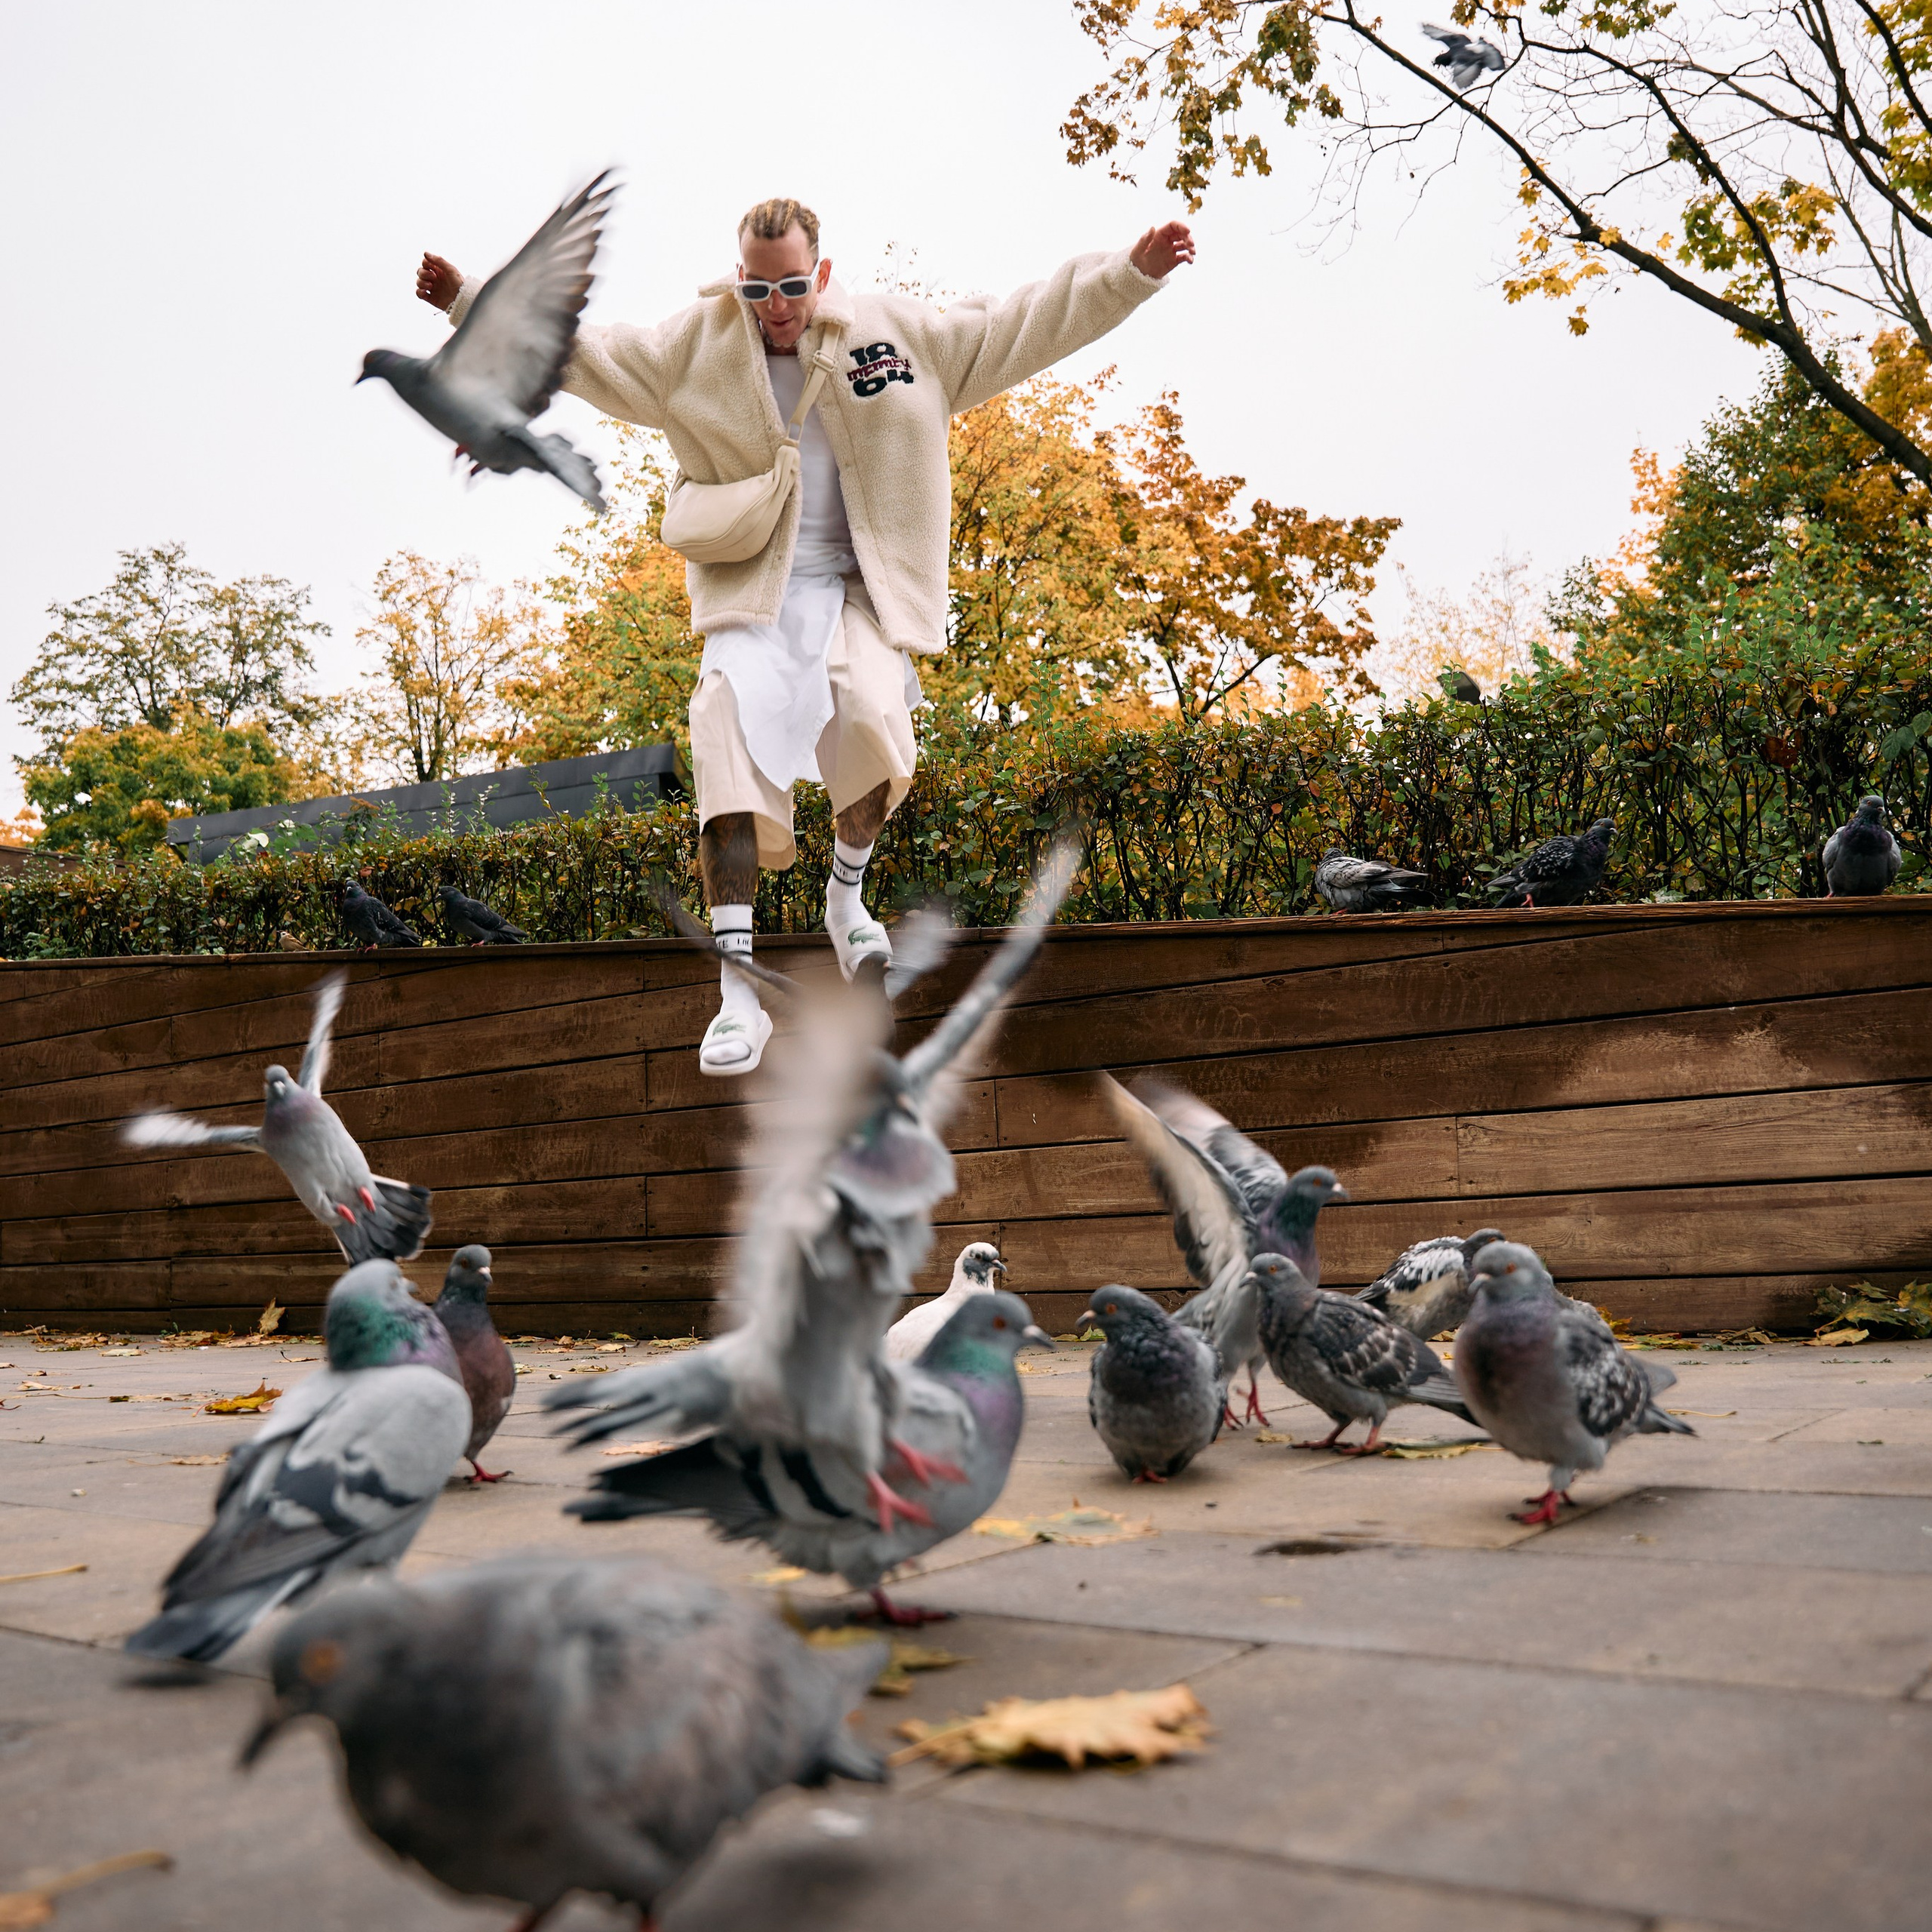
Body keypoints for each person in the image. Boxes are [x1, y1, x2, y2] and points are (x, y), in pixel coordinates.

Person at [417, 198, 1194, 1075]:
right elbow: (584, 353)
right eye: (757, 288)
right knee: (721, 740)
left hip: (860, 592)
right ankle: (737, 993)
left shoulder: (899, 336)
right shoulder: (696, 346)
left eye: (791, 286)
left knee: (873, 722)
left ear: (820, 275)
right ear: (737, 277)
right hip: (755, 595)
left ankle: (845, 894)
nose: (775, 306)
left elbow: (1022, 323)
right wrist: (467, 298)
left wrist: (1128, 276)